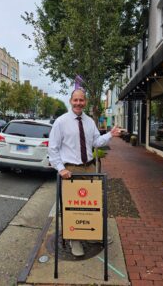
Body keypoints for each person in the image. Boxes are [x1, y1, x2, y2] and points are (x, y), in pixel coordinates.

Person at [48, 89, 121, 256]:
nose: (78, 103)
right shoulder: (61, 122)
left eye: (81, 100)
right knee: (72, 207)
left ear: (85, 102)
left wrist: (110, 134)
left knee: (92, 204)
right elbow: (53, 148)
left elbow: (96, 141)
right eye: (76, 100)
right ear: (70, 101)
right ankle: (75, 239)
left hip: (89, 168)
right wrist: (61, 169)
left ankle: (92, 234)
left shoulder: (89, 122)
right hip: (70, 170)